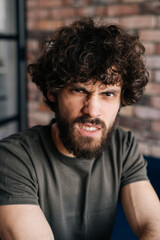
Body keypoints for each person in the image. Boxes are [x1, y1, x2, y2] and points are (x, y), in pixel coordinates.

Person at [0, 18, 160, 240]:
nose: (92, 110)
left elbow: (153, 224)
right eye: (79, 90)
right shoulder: (13, 158)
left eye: (108, 94)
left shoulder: (122, 146)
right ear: (53, 92)